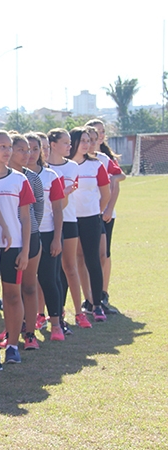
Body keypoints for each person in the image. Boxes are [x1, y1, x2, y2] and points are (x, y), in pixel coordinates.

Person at [0, 130, 35, 364]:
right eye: (2, 146)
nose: (7, 151)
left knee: (13, 296)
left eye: (9, 147)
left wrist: (25, 250)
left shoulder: (19, 179)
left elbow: (26, 218)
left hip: (13, 247)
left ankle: (13, 345)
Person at [25, 132, 66, 341]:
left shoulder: (51, 176)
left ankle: (57, 324)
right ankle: (27, 325)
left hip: (48, 234)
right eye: (26, 149)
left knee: (49, 280)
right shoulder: (17, 177)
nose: (30, 153)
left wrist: (57, 238)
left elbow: (58, 210)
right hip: (24, 238)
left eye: (34, 149)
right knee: (25, 284)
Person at [67, 127, 111, 322]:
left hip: (91, 219)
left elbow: (106, 194)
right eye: (82, 140)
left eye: (88, 140)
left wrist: (95, 212)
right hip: (69, 220)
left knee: (92, 260)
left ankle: (97, 304)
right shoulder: (64, 166)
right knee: (72, 262)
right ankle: (84, 301)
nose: (86, 144)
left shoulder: (96, 165)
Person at [46, 128, 87, 331]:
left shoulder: (72, 167)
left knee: (70, 267)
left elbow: (64, 202)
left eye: (71, 143)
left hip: (68, 221)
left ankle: (79, 313)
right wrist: (62, 194)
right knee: (47, 274)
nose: (70, 147)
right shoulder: (43, 168)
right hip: (46, 224)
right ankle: (46, 314)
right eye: (66, 143)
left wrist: (63, 196)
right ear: (53, 144)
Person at [8, 134, 44, 350]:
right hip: (7, 241)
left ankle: (30, 333)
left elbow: (38, 207)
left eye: (28, 150)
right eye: (20, 149)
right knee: (10, 291)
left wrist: (31, 231)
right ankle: (11, 332)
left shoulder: (32, 177)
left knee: (30, 287)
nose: (26, 154)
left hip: (31, 238)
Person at [85, 121, 125, 314]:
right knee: (84, 257)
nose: (97, 138)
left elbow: (118, 179)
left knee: (103, 254)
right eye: (92, 137)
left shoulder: (105, 158)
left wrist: (108, 208)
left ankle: (102, 293)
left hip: (104, 213)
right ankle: (89, 297)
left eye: (101, 133)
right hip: (87, 214)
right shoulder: (79, 159)